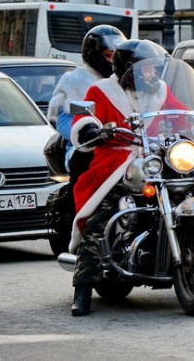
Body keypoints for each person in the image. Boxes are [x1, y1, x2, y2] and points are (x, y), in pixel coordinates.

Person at [67, 39, 186, 316]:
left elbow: (180, 114)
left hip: (157, 161)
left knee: (191, 188)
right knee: (101, 214)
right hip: (116, 163)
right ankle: (82, 288)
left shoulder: (161, 93)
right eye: (146, 70)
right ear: (128, 70)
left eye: (155, 69)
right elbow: (84, 119)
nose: (152, 75)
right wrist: (89, 130)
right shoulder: (102, 91)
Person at [48, 24, 127, 181]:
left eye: (115, 56)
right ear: (94, 55)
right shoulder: (75, 80)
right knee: (84, 164)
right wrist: (88, 132)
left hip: (125, 144)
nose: (112, 61)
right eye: (108, 55)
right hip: (91, 146)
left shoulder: (125, 78)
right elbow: (62, 119)